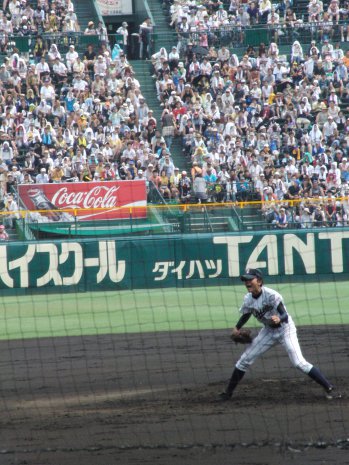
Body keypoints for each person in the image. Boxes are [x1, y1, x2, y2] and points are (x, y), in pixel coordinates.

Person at [219, 268, 341, 401]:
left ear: (259, 281)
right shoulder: (248, 298)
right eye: (245, 280)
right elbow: (247, 314)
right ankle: (228, 393)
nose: (247, 282)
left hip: (285, 330)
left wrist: (279, 319)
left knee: (299, 363)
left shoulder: (271, 295)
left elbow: (284, 315)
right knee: (244, 360)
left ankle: (328, 387)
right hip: (268, 332)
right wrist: (237, 327)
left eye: (250, 279)